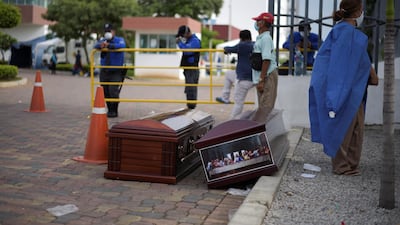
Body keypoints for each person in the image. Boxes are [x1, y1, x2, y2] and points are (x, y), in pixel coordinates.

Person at [308, 0, 378, 176]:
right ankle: (342, 166)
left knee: (354, 128)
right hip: (346, 90)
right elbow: (342, 66)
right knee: (346, 127)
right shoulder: (348, 34)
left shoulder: (342, 32)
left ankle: (350, 165)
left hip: (350, 89)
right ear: (358, 12)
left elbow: (358, 59)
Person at [215, 30, 255, 119]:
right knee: (228, 74)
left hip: (244, 79)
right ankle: (225, 97)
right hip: (254, 77)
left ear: (241, 38)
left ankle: (232, 122)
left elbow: (229, 49)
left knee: (238, 103)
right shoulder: (255, 44)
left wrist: (226, 50)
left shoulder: (242, 45)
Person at [249, 12, 279, 123]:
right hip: (262, 76)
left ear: (262, 23)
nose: (256, 23)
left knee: (266, 107)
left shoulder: (266, 38)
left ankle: (263, 133)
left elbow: (266, 59)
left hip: (267, 76)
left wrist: (261, 80)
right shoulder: (261, 38)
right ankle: (260, 132)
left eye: (258, 21)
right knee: (262, 106)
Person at [94, 23, 126, 118]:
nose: (107, 33)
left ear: (113, 31)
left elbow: (122, 45)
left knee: (113, 91)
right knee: (105, 91)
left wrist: (109, 45)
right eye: (106, 31)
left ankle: (114, 110)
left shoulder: (119, 40)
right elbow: (95, 45)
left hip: (115, 70)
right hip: (104, 70)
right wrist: (101, 45)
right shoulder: (102, 40)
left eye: (109, 31)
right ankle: (109, 110)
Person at [176, 25, 201, 109]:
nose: (182, 37)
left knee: (191, 89)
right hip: (188, 69)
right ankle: (190, 107)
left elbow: (187, 51)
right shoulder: (189, 40)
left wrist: (180, 43)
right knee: (189, 89)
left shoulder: (195, 41)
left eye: (183, 35)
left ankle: (191, 107)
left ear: (187, 33)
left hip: (192, 69)